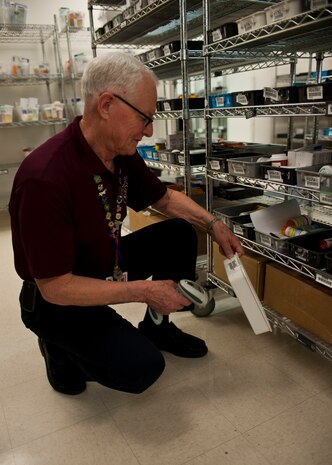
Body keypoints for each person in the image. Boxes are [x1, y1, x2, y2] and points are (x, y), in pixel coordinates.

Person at [9, 51, 243, 396]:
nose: (149, 131)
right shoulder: (45, 178)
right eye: (145, 118)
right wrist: (142, 291)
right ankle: (58, 347)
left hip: (105, 262)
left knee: (179, 233)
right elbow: (55, 286)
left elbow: (163, 198)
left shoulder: (120, 154)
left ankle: (158, 330)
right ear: (106, 105)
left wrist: (213, 224)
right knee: (141, 369)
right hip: (57, 296)